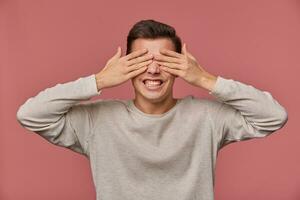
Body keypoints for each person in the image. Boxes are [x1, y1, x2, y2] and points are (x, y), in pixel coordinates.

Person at [16, 19, 288, 200]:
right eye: (142, 60)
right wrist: (99, 80)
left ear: (181, 66)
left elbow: (273, 117)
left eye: (165, 61)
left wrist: (204, 78)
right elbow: (30, 115)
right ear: (127, 67)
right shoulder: (97, 121)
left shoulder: (207, 118)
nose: (154, 70)